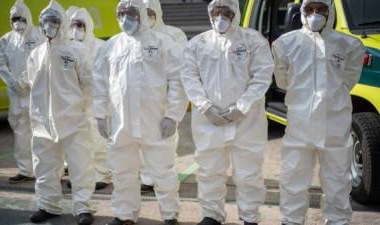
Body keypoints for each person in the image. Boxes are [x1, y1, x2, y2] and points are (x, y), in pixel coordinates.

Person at [93, 0, 188, 224]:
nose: (126, 19)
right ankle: (124, 214)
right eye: (122, 13)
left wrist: (173, 115)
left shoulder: (163, 43)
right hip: (121, 122)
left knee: (163, 172)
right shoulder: (111, 46)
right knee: (122, 171)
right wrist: (100, 114)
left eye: (131, 13)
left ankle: (169, 215)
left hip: (154, 121)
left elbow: (178, 80)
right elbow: (100, 83)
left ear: (143, 15)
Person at [271, 0, 365, 224]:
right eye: (309, 9)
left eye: (321, 9)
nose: (315, 14)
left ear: (330, 12)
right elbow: (282, 80)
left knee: (337, 179)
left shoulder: (349, 45)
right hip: (299, 124)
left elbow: (349, 80)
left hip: (335, 123)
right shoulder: (286, 44)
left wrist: (331, 98)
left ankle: (338, 220)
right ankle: (292, 220)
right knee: (294, 176)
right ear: (302, 12)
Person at [181, 0, 274, 224]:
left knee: (248, 172)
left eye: (226, 13)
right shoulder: (198, 43)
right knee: (209, 170)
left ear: (235, 14)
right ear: (210, 14)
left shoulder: (252, 40)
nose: (220, 17)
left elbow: (262, 76)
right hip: (209, 121)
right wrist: (205, 107)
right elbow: (189, 77)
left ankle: (250, 217)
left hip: (247, 121)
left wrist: (242, 106)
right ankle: (211, 215)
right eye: (216, 12)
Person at [27, 1, 95, 224]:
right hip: (42, 121)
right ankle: (48, 205)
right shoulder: (36, 54)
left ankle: (83, 208)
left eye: (54, 21)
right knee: (45, 165)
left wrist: (82, 110)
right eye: (45, 22)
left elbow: (88, 85)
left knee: (80, 165)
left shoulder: (77, 50)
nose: (49, 26)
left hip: (74, 120)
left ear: (62, 23)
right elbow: (32, 84)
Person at [140, 0, 188, 194]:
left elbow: (183, 66)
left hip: (166, 96)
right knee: (143, 136)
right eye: (144, 12)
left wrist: (175, 104)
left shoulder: (174, 35)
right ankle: (146, 177)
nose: (147, 16)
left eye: (151, 12)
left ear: (158, 12)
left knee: (166, 138)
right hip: (143, 96)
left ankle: (164, 175)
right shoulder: (135, 36)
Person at [0, 0, 43, 184]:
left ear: (28, 18)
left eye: (21, 18)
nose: (18, 22)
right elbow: (0, 65)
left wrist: (26, 80)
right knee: (21, 132)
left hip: (36, 91)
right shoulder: (5, 40)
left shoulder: (39, 34)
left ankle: (46, 169)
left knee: (42, 131)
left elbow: (42, 60)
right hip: (16, 95)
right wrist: (14, 83)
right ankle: (25, 170)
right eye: (14, 19)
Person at [66, 6, 111, 190]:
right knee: (76, 141)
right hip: (73, 102)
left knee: (97, 138)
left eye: (80, 25)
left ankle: (102, 174)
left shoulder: (101, 46)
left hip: (95, 100)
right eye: (73, 25)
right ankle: (79, 174)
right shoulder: (66, 48)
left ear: (88, 25)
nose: (77, 29)